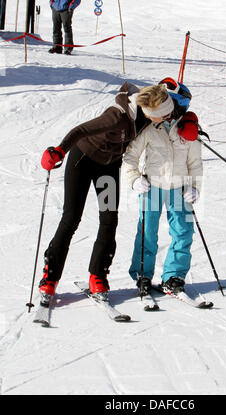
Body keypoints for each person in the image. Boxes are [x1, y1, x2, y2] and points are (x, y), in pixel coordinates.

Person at [38, 82, 150, 300]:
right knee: (71, 218)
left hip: (108, 167)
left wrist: (189, 122)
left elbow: (174, 108)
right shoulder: (116, 116)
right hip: (82, 159)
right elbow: (80, 130)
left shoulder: (151, 118)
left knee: (109, 219)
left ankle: (98, 274)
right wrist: (60, 150)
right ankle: (50, 276)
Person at [123, 80, 203, 297]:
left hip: (179, 188)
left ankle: (174, 276)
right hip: (152, 187)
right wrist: (134, 178)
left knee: (183, 232)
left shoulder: (189, 131)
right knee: (147, 232)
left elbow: (195, 163)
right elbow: (130, 157)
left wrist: (194, 187)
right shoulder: (149, 128)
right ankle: (143, 275)